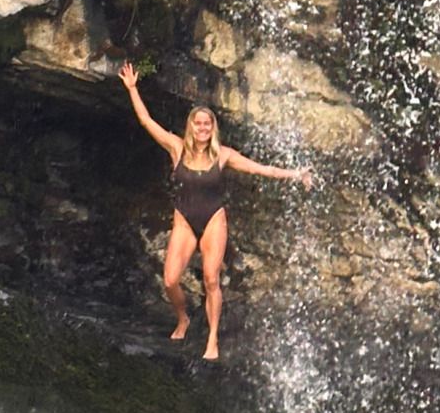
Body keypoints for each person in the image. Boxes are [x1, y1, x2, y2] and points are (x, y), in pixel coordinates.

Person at [117, 61, 313, 362]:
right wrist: (132, 89)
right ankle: (183, 318)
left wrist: (296, 174)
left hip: (213, 219)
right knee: (170, 280)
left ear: (213, 128)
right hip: (184, 218)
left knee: (211, 278)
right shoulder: (176, 148)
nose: (203, 128)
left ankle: (211, 339)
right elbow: (146, 121)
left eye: (207, 124)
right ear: (191, 126)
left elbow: (261, 169)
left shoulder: (224, 155)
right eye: (198, 124)